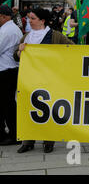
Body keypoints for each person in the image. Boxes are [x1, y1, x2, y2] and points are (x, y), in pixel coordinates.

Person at [14, 8, 73, 153]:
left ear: (42, 21)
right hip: (29, 80)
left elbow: (72, 49)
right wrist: (19, 51)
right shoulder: (27, 37)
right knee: (28, 109)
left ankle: (48, 140)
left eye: (33, 18)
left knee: (47, 109)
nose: (29, 21)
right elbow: (15, 56)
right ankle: (28, 140)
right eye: (29, 18)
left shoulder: (56, 36)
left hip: (49, 79)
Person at [0, 5, 23, 146]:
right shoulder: (12, 28)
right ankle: (12, 133)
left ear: (3, 16)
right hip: (10, 69)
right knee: (7, 103)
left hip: (6, 70)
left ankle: (13, 134)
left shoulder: (7, 30)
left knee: (6, 104)